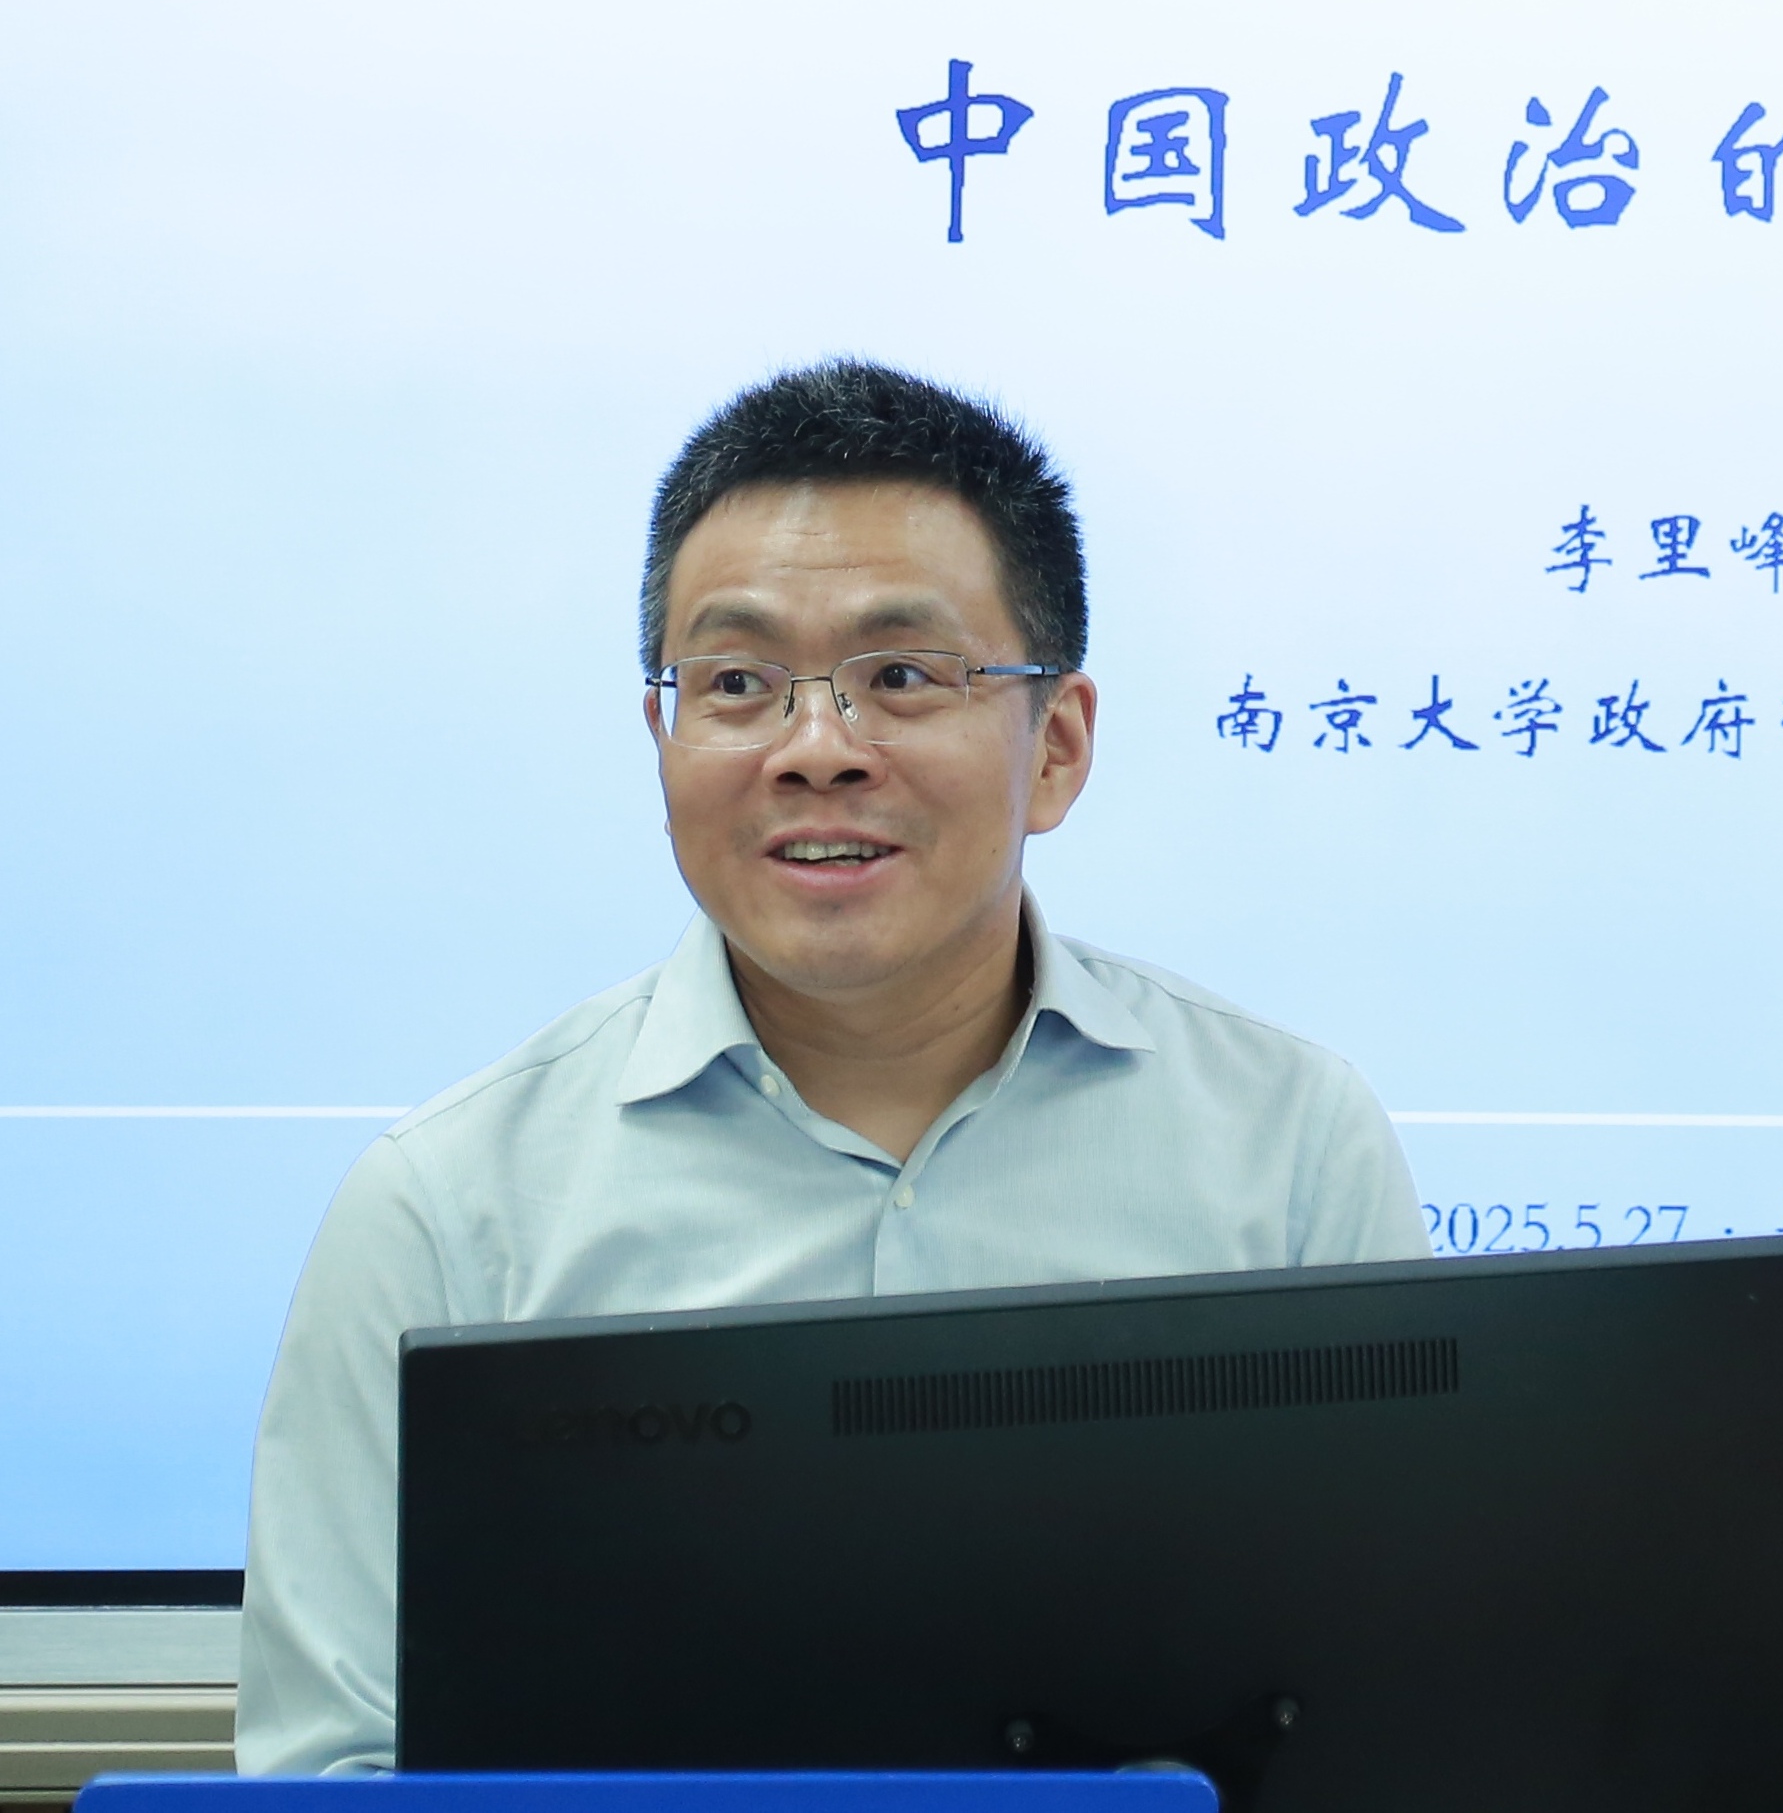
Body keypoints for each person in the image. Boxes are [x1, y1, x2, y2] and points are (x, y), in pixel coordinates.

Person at [235, 361, 1422, 1773]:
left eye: (900, 678)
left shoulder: (1289, 1153)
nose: (815, 751)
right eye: (737, 683)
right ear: (664, 737)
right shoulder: (448, 1210)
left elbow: (1397, 1727)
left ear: (1056, 744)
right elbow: (335, 1772)